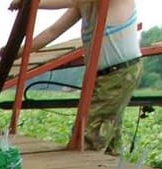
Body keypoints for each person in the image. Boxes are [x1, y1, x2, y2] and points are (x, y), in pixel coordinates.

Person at [13, 0, 142, 153]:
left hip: (120, 72)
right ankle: (110, 161)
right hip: (103, 74)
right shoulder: (83, 5)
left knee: (88, 131)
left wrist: (33, 3)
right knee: (107, 124)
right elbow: (52, 31)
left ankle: (89, 160)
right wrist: (17, 51)